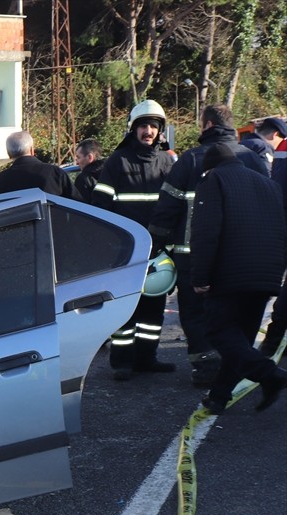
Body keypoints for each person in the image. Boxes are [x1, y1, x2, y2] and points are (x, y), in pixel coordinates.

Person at [147, 105, 247, 388]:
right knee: (234, 313)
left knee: (195, 314)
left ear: (208, 125)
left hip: (192, 257)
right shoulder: (251, 157)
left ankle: (206, 368)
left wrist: (156, 245)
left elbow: (167, 208)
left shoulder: (190, 159)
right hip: (239, 257)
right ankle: (235, 365)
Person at [190, 144, 287, 414]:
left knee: (219, 331)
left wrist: (200, 275)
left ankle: (270, 375)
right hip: (266, 273)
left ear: (209, 167)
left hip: (229, 273)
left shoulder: (214, 180)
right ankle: (218, 397)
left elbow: (206, 231)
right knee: (240, 340)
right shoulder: (268, 184)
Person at [92, 99, 177, 380]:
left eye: (153, 126)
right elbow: (101, 206)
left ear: (160, 130)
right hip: (125, 251)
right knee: (125, 308)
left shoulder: (167, 162)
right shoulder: (118, 161)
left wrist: (169, 244)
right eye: (143, 126)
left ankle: (146, 358)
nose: (148, 131)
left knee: (154, 310)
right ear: (133, 129)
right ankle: (122, 362)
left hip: (158, 252)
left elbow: (176, 207)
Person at [0, 131, 80, 199]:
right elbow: (78, 204)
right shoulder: (55, 173)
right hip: (54, 224)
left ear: (9, 154)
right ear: (32, 149)